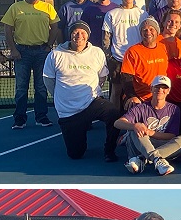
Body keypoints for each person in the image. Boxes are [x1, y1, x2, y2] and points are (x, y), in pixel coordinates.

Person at [42, 21, 123, 161]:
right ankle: (80, 130)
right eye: (75, 32)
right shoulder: (56, 55)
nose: (79, 36)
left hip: (92, 103)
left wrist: (94, 91)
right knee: (76, 154)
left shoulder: (97, 53)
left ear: (88, 36)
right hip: (69, 111)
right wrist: (61, 97)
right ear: (70, 35)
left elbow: (102, 76)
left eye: (83, 32)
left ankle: (109, 151)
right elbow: (49, 80)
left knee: (113, 113)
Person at [2, 0, 60, 129]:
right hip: (22, 52)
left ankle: (41, 116)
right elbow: (7, 30)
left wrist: (48, 46)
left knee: (41, 87)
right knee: (21, 87)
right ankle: (20, 118)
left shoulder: (48, 7)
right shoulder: (15, 7)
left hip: (42, 52)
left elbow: (55, 27)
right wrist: (13, 50)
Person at [113, 74, 181, 176]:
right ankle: (157, 160)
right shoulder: (140, 108)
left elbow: (171, 135)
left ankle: (142, 158)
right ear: (151, 88)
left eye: (164, 87)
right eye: (157, 87)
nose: (160, 90)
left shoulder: (174, 109)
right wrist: (135, 125)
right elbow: (117, 123)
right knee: (136, 130)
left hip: (161, 144)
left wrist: (150, 132)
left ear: (169, 90)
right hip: (142, 143)